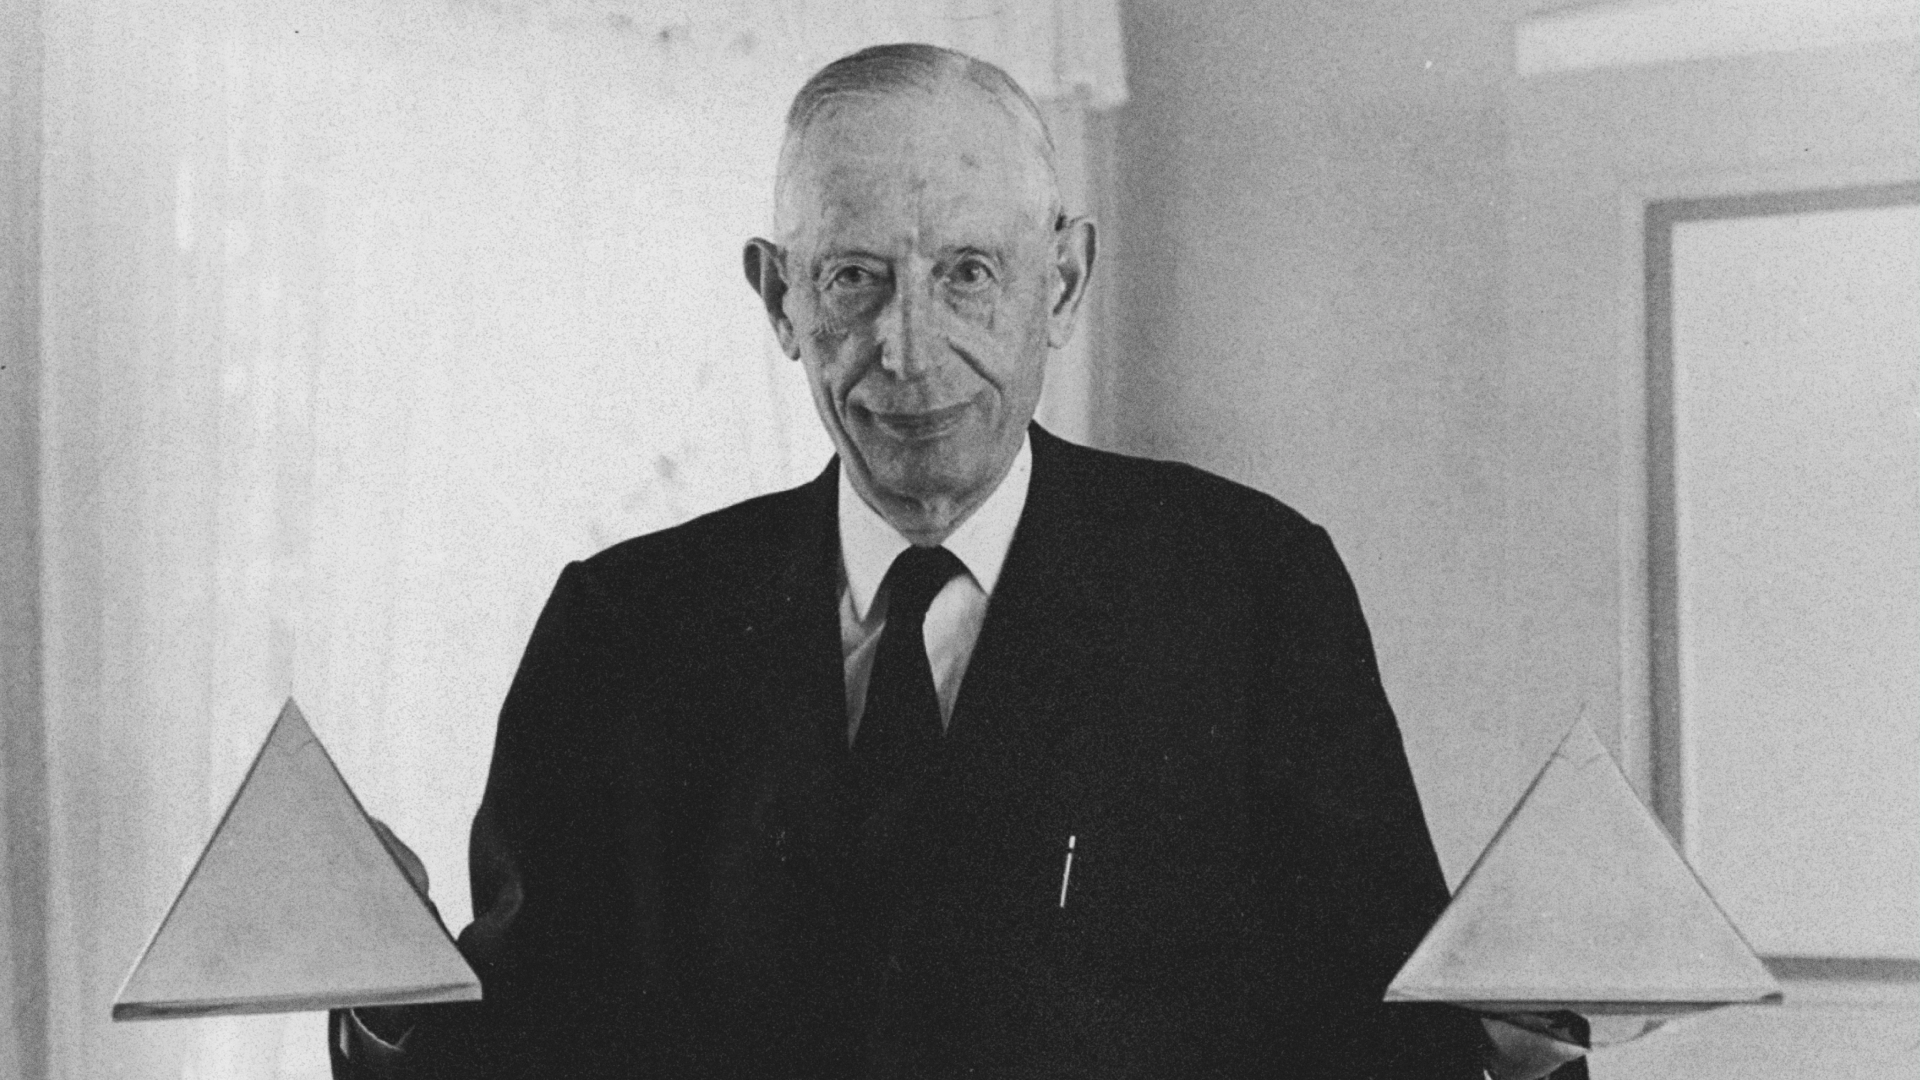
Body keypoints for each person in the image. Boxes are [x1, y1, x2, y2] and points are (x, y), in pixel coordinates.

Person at [332, 42, 1584, 1080]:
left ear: (1065, 282)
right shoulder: (624, 626)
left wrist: (1519, 1040)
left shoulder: (1253, 590)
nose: (910, 348)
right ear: (777, 299)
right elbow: (527, 1041)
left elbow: (1389, 1029)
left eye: (969, 274)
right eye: (854, 280)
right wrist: (388, 984)